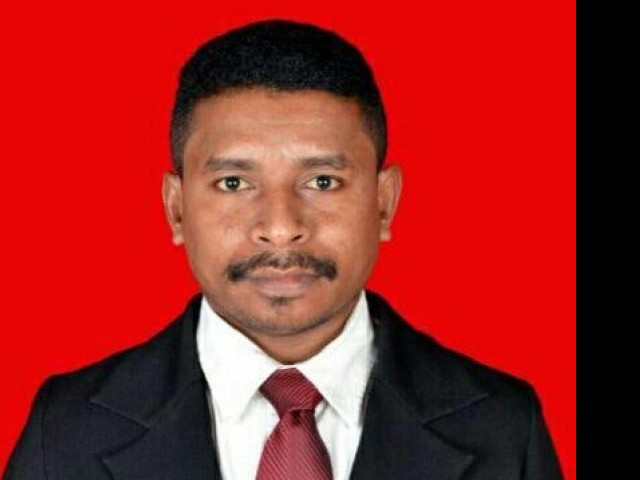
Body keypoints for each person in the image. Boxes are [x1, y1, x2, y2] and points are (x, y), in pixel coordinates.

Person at [3, 19, 563, 480]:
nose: (280, 228)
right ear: (176, 209)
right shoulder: (68, 430)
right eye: (233, 183)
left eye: (322, 181)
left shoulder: (504, 428)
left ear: (384, 203)